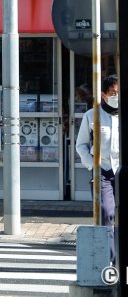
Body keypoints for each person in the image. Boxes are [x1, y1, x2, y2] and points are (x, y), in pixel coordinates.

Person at [76, 74, 120, 265]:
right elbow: (81, 145)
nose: (116, 96)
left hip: (121, 169)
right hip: (103, 170)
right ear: (103, 94)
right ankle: (110, 261)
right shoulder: (91, 115)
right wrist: (91, 165)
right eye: (112, 93)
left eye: (118, 93)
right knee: (106, 212)